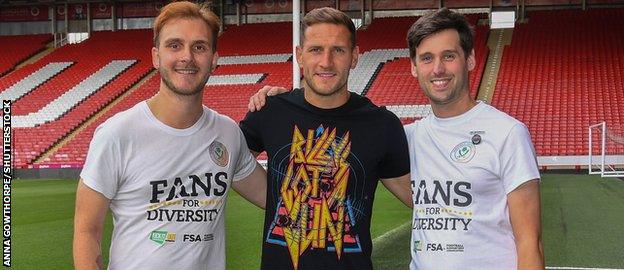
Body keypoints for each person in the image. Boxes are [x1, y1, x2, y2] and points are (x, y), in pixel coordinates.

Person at [72, 2, 266, 269]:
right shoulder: (117, 134)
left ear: (214, 58)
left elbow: (276, 198)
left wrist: (285, 110)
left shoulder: (227, 133)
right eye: (174, 45)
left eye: (199, 47)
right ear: (156, 56)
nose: (187, 57)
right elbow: (87, 232)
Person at [239, 7, 412, 270]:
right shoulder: (270, 112)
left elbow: (423, 200)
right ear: (299, 56)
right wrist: (278, 199)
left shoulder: (382, 125)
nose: (326, 62)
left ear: (354, 57)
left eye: (338, 50)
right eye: (316, 49)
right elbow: (226, 165)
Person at [405, 8, 544, 269]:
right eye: (426, 58)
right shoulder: (410, 137)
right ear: (414, 67)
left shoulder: (508, 133)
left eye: (448, 56)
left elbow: (530, 242)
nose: (437, 69)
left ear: (469, 59)